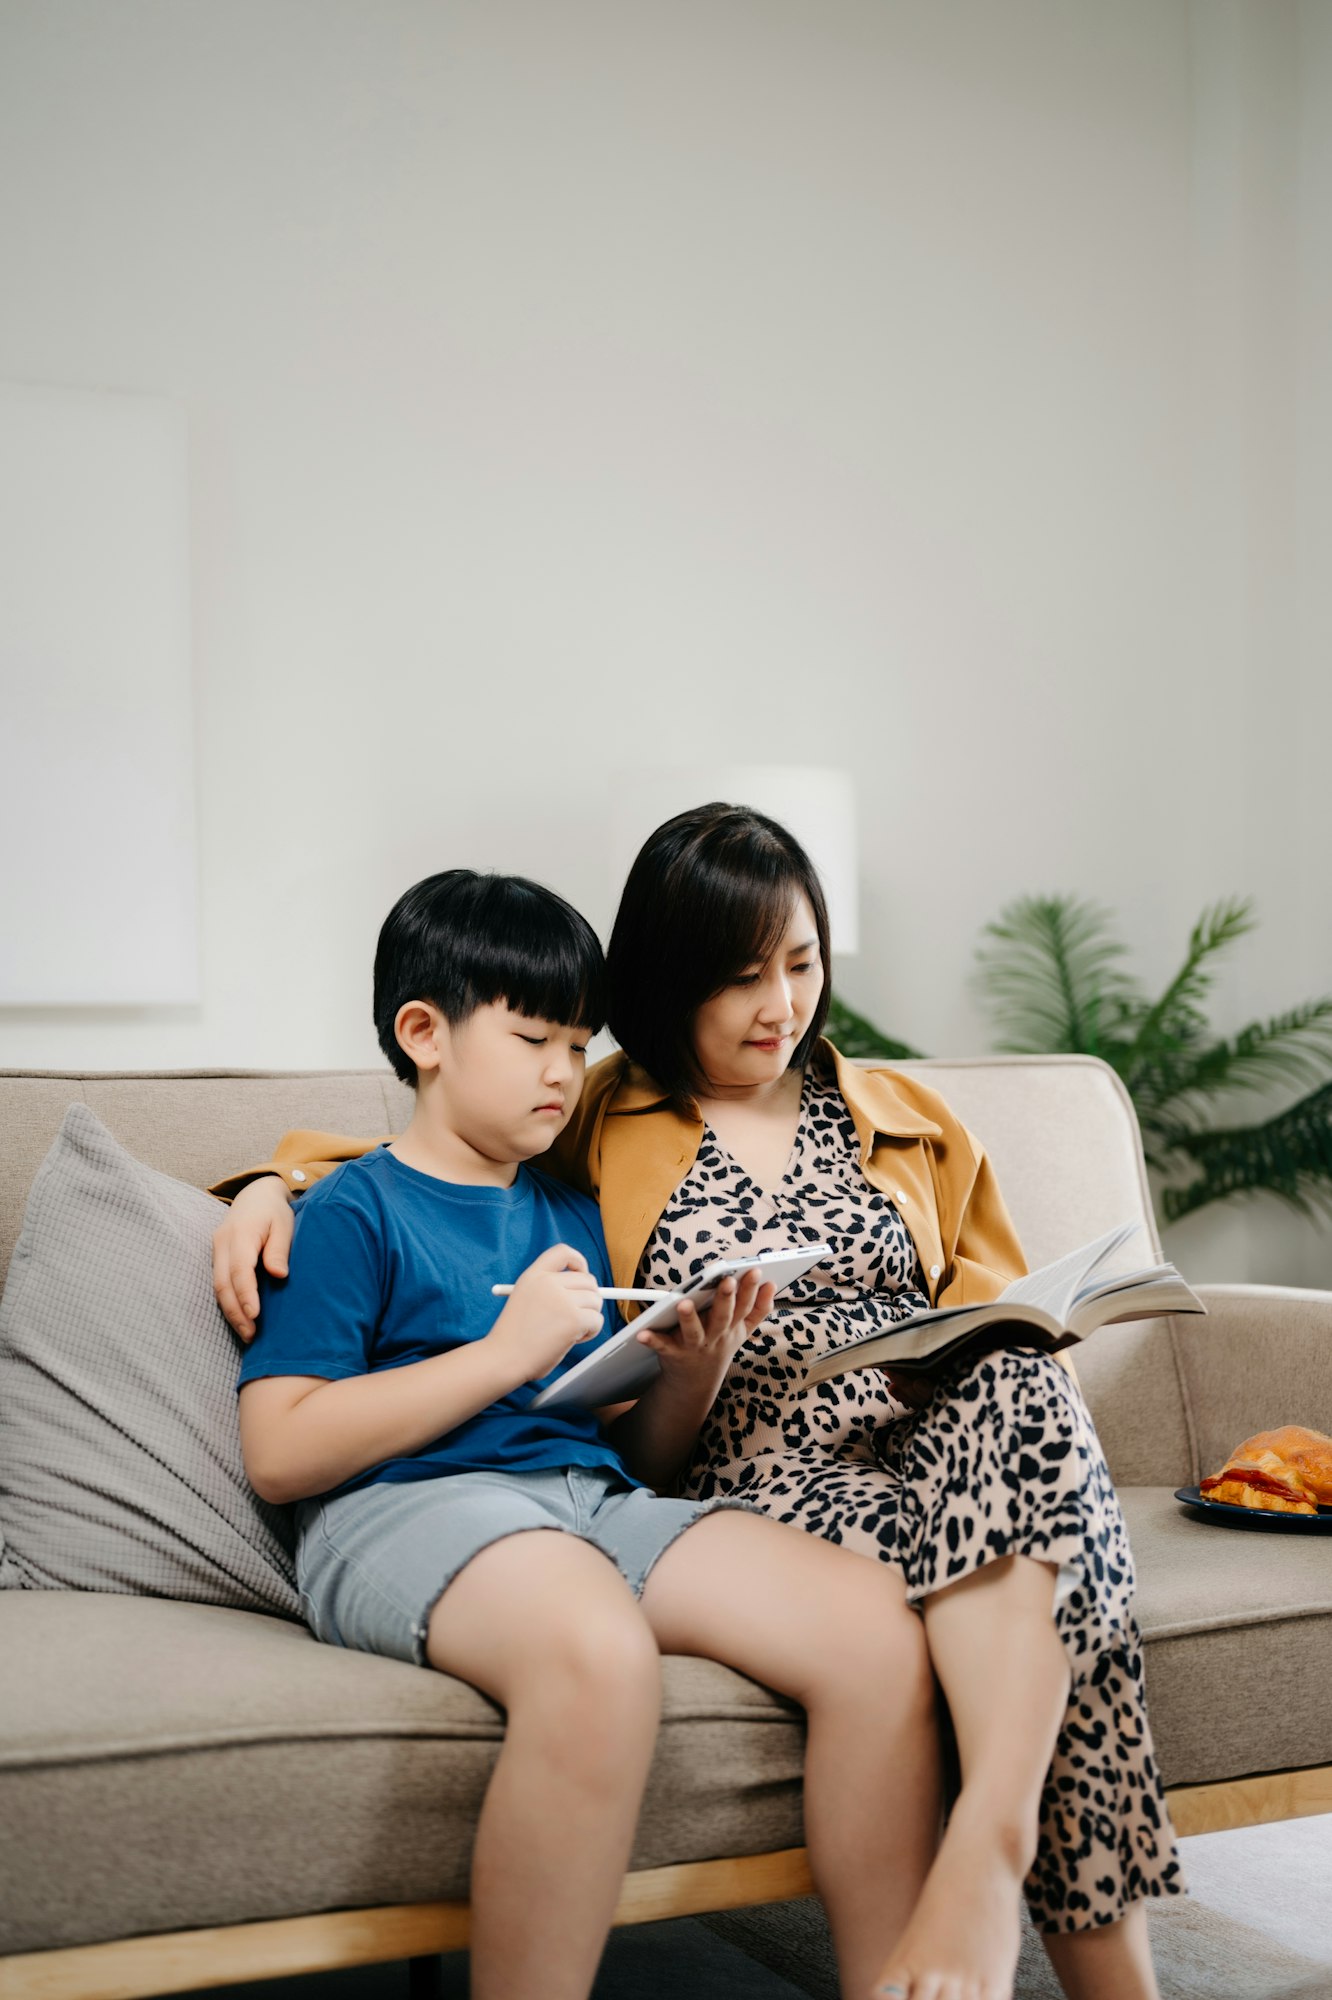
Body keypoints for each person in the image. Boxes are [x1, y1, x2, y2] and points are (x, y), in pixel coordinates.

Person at [214, 813, 1185, 2000]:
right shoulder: (509, 1153)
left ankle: (944, 1916)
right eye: (739, 975)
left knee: (951, 1539)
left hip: (785, 1467)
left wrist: (688, 1370)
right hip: (606, 1489)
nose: (779, 1003)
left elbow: (647, 1441)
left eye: (803, 963)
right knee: (636, 1645)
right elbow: (369, 1245)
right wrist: (269, 1186)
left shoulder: (838, 1138)